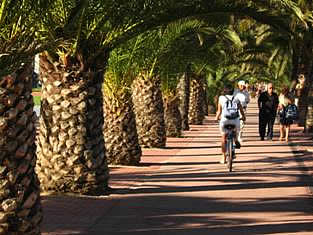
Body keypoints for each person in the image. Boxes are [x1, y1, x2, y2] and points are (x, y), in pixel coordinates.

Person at [215, 83, 246, 164]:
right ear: (233, 91)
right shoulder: (236, 99)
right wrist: (243, 117)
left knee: (223, 138)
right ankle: (235, 139)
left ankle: (223, 157)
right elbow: (241, 111)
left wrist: (216, 118)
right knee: (236, 130)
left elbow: (219, 111)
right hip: (235, 120)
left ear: (224, 91)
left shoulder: (221, 98)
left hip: (225, 120)